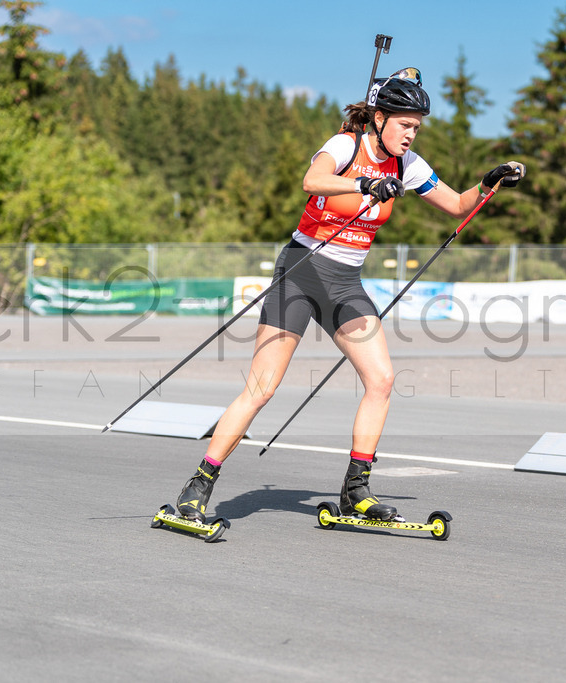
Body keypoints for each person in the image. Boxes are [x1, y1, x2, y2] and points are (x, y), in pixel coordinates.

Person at [176, 67, 524, 524]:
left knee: (381, 380)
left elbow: (458, 205)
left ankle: (355, 489)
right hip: (301, 273)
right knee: (262, 388)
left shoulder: (408, 164)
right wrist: (363, 183)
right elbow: (312, 181)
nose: (411, 135)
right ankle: (198, 486)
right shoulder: (345, 145)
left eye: (417, 127)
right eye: (405, 125)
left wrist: (488, 183)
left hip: (344, 283)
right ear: (380, 118)